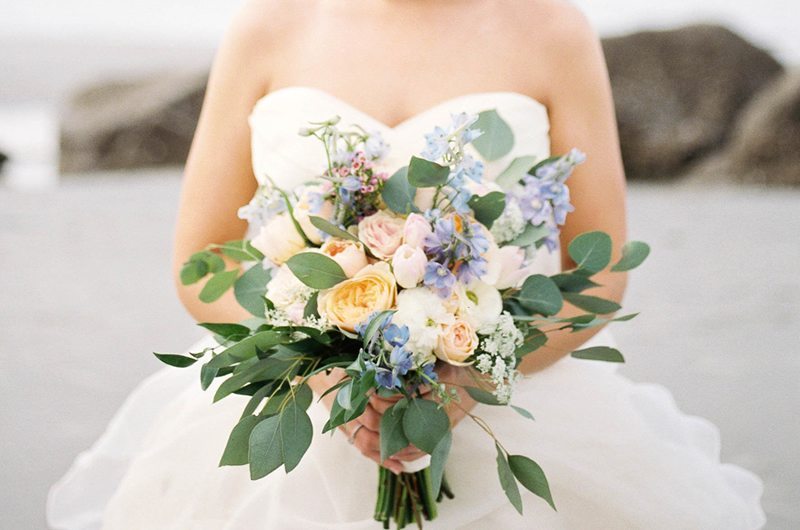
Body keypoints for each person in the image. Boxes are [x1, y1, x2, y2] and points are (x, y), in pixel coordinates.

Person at [47, 0, 766, 528]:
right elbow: (202, 261)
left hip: (507, 407)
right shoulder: (268, 24)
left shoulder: (552, 28)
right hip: (298, 414)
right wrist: (324, 369)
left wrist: (469, 378)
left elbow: (599, 268)